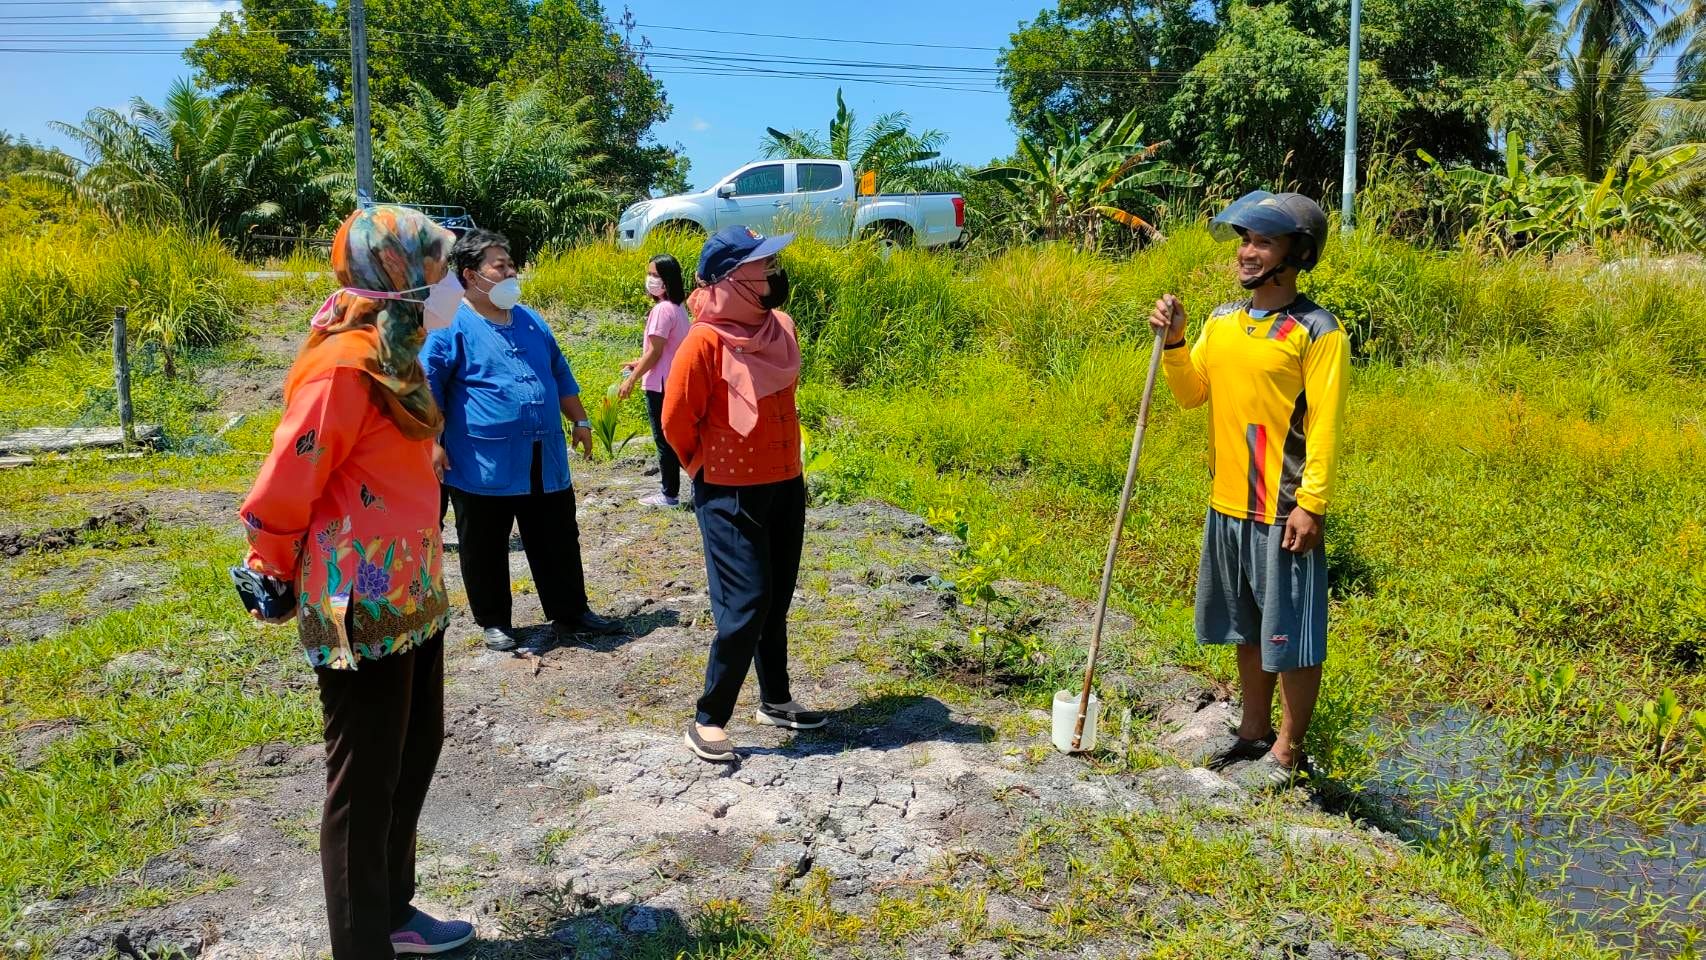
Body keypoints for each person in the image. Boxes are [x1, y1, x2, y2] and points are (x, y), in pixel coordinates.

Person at [238, 205, 474, 957]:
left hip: (410, 593)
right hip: (353, 600)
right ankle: (362, 944)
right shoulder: (343, 366)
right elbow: (287, 477)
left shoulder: (397, 356)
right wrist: (267, 567)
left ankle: (393, 913)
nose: (451, 286)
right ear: (397, 277)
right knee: (363, 780)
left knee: (414, 752)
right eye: (438, 272)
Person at [1147, 191, 1350, 790]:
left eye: (1263, 241)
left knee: (1292, 636)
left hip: (1283, 509)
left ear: (1297, 254)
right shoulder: (1220, 322)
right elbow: (1191, 393)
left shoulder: (1316, 330)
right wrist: (1177, 343)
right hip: (1228, 503)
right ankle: (1252, 730)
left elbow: (1326, 427)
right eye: (1245, 240)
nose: (1248, 251)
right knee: (1247, 627)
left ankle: (1287, 752)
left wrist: (1311, 504)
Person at [664, 225, 826, 762]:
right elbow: (676, 421)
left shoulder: (782, 327)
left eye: (773, 264)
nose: (774, 275)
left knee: (776, 598)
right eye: (764, 267)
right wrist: (707, 468)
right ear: (732, 280)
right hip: (729, 494)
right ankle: (709, 717)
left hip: (784, 484)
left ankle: (776, 700)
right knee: (746, 604)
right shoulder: (702, 342)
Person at [421, 228, 620, 652]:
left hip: (543, 456)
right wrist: (433, 442)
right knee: (484, 542)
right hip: (482, 461)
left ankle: (571, 612)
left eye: (511, 264)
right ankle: (494, 620)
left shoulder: (531, 319)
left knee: (557, 536)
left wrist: (580, 420)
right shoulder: (450, 324)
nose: (511, 271)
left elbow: (559, 372)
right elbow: (429, 387)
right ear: (472, 275)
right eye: (501, 265)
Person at [618, 253, 692, 508]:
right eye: (650, 274)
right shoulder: (678, 309)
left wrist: (632, 379)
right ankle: (697, 483)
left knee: (664, 441)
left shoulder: (661, 310)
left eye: (655, 275)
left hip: (660, 385)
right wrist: (638, 364)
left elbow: (656, 351)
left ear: (667, 280)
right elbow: (665, 350)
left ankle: (670, 494)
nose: (650, 279)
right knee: (674, 438)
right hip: (674, 381)